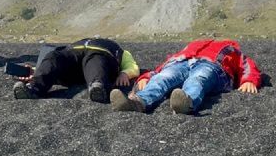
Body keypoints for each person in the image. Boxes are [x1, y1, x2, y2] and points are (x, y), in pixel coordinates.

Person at [112, 37, 264, 115]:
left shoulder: (231, 48)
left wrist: (249, 80)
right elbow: (162, 68)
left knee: (198, 79)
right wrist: (146, 77)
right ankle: (137, 102)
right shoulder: (192, 46)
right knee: (163, 77)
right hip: (180, 63)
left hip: (211, 65)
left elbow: (247, 65)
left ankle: (187, 102)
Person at [13, 37, 141, 103]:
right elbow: (54, 63)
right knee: (54, 56)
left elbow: (133, 66)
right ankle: (34, 88)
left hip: (99, 57)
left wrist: (125, 73)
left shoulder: (121, 51)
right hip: (72, 57)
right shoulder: (76, 45)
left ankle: (98, 88)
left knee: (95, 59)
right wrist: (35, 71)